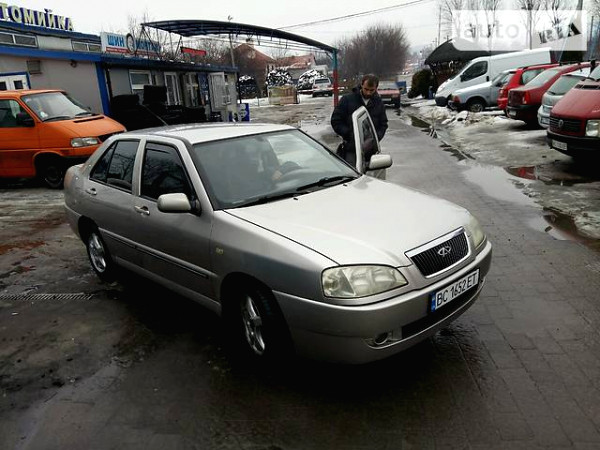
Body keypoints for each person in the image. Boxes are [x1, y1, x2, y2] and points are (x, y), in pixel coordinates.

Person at [330, 74, 388, 165]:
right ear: (361, 85)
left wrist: (375, 138)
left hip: (371, 150)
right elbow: (336, 121)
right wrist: (349, 134)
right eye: (366, 89)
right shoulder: (347, 100)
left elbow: (383, 124)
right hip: (351, 148)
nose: (368, 93)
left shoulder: (378, 102)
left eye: (371, 90)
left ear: (376, 88)